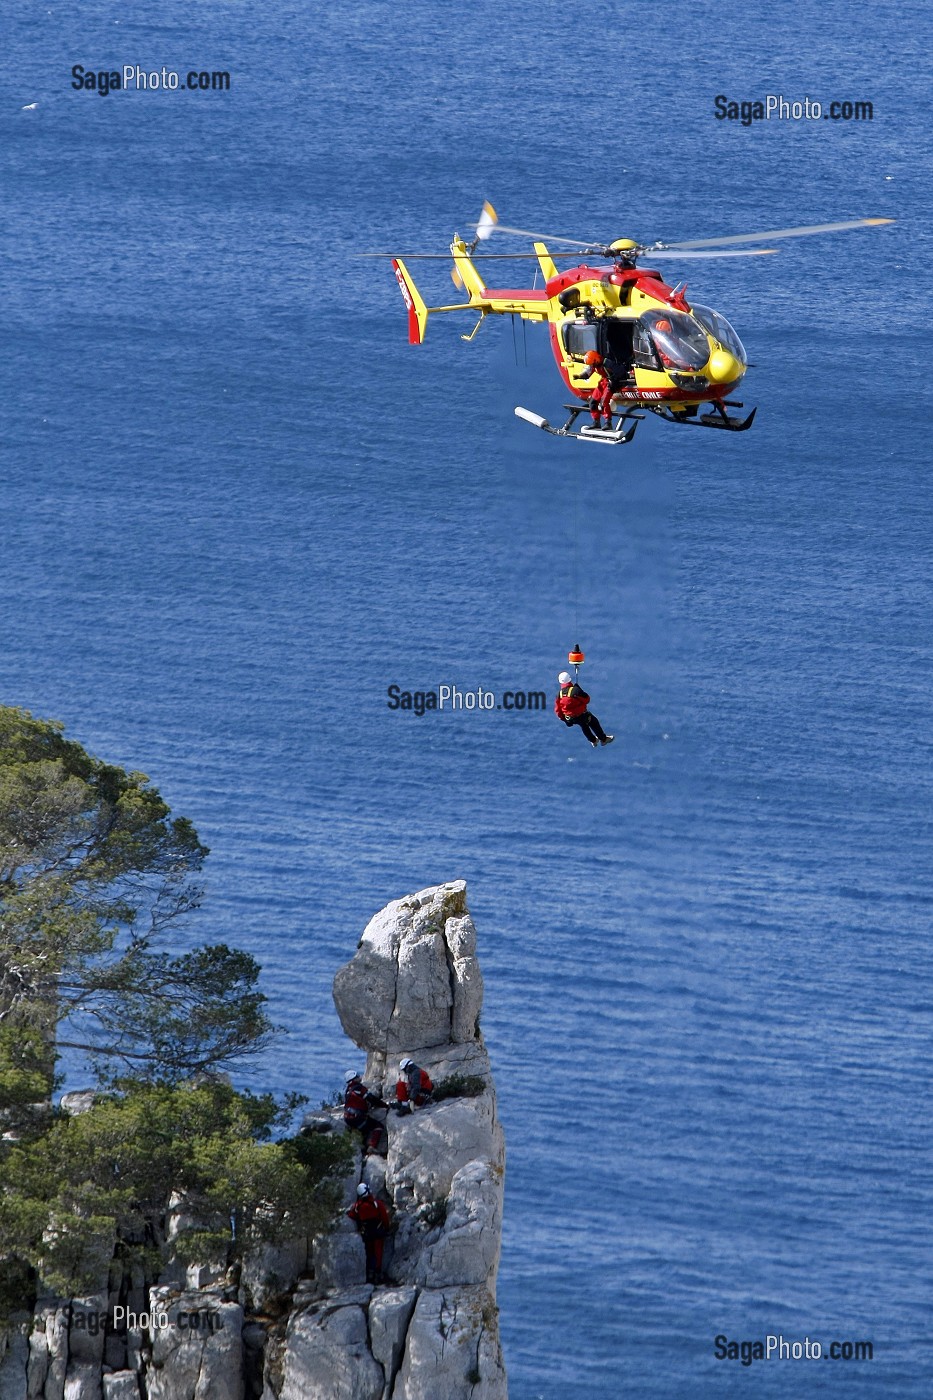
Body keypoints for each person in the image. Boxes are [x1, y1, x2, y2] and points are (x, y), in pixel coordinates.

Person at [554, 671, 614, 748]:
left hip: (570, 718)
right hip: (581, 715)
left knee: (584, 726)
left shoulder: (559, 694)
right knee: (593, 722)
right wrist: (580, 690)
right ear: (569, 679)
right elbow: (587, 699)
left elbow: (558, 710)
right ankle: (603, 739)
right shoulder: (576, 691)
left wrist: (565, 720)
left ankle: (593, 740)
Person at [347, 1183, 392, 1284]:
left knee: (370, 1253)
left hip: (367, 1234)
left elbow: (352, 1215)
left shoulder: (358, 1206)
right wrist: (387, 1228)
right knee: (378, 1253)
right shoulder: (377, 1204)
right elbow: (385, 1218)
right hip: (378, 1233)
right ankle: (378, 1273)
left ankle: (370, 1273)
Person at [342, 1070, 387, 1156]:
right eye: (357, 1076)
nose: (360, 1077)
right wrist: (384, 1105)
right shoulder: (359, 1088)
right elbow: (371, 1099)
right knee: (377, 1126)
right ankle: (372, 1147)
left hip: (347, 1118)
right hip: (357, 1117)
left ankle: (362, 1149)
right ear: (354, 1079)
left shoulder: (348, 1090)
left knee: (363, 1130)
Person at [580, 349, 625, 431]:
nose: (592, 366)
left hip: (610, 383)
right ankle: (596, 421)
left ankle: (608, 422)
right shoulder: (595, 365)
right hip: (603, 382)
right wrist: (580, 376)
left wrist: (613, 379)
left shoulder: (607, 363)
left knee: (604, 402)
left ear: (596, 360)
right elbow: (588, 372)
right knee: (593, 402)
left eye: (592, 364)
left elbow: (621, 372)